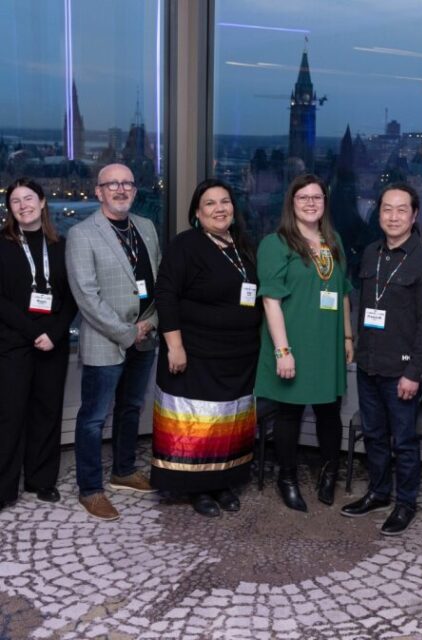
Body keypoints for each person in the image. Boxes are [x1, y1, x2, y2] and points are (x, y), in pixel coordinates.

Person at [151, 179, 261, 517]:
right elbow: (166, 296)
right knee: (196, 423)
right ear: (197, 213)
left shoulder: (242, 245)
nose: (219, 208)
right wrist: (175, 347)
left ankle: (222, 482)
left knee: (227, 422)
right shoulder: (186, 245)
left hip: (238, 356)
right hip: (196, 353)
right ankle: (197, 488)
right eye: (210, 203)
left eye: (225, 201)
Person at [341, 183, 422, 535]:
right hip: (369, 364)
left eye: (402, 209)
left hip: (402, 371)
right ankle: (379, 492)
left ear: (414, 215)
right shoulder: (370, 253)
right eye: (387, 209)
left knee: (403, 439)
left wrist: (414, 373)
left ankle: (405, 504)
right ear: (378, 213)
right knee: (373, 435)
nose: (394, 216)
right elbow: (364, 306)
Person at [66, 163, 161, 521]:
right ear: (99, 191)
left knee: (131, 407)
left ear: (135, 190)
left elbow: (157, 279)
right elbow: (86, 297)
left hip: (146, 334)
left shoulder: (147, 227)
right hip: (106, 340)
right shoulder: (82, 233)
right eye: (112, 184)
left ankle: (123, 471)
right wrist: (126, 331)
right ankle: (90, 490)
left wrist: (150, 321)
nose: (121, 189)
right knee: (92, 418)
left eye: (127, 184)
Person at [255, 173, 353, 512]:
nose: (311, 203)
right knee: (289, 414)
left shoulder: (333, 240)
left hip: (327, 344)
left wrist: (347, 335)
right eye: (303, 197)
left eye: (317, 197)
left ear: (325, 202)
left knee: (329, 412)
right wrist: (283, 351)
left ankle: (329, 473)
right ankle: (287, 478)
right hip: (292, 343)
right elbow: (270, 301)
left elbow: (341, 293)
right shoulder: (276, 243)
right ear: (291, 204)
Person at [0, 178, 77, 510]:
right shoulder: (1, 244)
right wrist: (32, 333)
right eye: (15, 201)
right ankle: (4, 488)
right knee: (9, 415)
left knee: (47, 412)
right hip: (13, 342)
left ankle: (41, 480)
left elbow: (73, 298)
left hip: (52, 342)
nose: (22, 206)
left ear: (43, 202)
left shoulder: (60, 245)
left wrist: (56, 333)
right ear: (10, 209)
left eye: (28, 198)